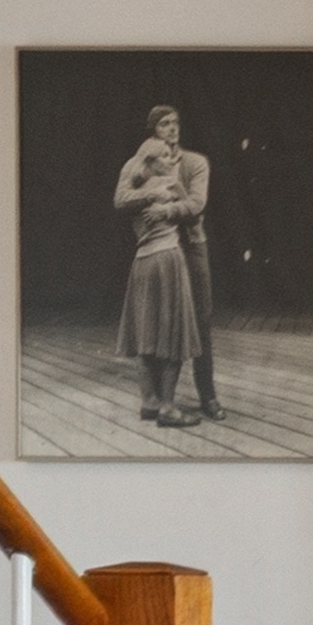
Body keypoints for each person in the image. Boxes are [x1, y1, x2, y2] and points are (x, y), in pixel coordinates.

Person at [111, 103, 213, 427]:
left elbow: (193, 207)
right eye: (165, 124)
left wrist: (159, 202)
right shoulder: (163, 179)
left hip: (146, 259)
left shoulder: (142, 171)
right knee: (173, 332)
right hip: (167, 258)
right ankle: (166, 406)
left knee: (149, 330)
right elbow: (189, 205)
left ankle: (152, 402)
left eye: (175, 123)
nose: (173, 128)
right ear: (154, 134)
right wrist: (160, 189)